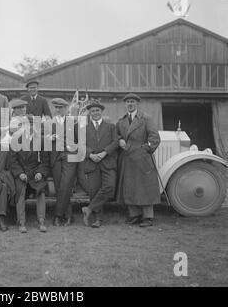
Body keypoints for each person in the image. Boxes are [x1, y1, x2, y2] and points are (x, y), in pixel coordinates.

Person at [116, 93, 161, 227]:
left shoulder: (145, 118)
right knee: (130, 187)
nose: (130, 104)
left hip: (142, 158)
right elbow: (116, 134)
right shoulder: (121, 120)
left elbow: (155, 138)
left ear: (137, 104)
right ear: (125, 104)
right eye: (128, 102)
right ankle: (134, 215)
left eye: (132, 102)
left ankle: (147, 217)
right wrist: (120, 141)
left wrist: (144, 150)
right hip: (127, 158)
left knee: (144, 187)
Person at [10, 113, 50, 233]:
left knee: (41, 191)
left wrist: (40, 173)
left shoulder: (41, 140)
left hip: (35, 173)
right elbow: (13, 161)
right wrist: (20, 173)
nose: (29, 127)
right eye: (26, 124)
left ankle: (41, 220)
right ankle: (21, 222)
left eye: (32, 124)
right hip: (22, 173)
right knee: (21, 191)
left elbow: (45, 161)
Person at [81, 100, 118, 228]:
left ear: (101, 111)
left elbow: (115, 142)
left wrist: (104, 153)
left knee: (110, 187)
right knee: (94, 191)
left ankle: (89, 209)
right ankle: (98, 219)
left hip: (107, 162)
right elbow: (81, 145)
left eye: (97, 110)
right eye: (92, 111)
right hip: (92, 163)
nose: (95, 113)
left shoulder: (111, 127)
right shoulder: (85, 129)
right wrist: (90, 154)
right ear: (90, 113)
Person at [47, 98, 78, 226]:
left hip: (69, 157)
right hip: (55, 157)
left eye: (61, 108)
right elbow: (42, 138)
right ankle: (69, 215)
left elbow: (79, 140)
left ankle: (57, 215)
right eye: (56, 108)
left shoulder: (73, 122)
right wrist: (50, 137)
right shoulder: (50, 123)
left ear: (66, 109)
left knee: (65, 185)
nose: (58, 110)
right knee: (60, 187)